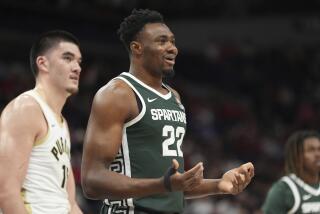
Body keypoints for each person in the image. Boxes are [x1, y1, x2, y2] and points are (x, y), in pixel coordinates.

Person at [81, 9, 254, 214]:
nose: (172, 48)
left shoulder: (175, 98)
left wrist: (218, 184)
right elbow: (91, 181)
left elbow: (173, 186)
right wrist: (164, 185)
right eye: (162, 41)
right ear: (137, 48)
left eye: (172, 41)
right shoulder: (117, 94)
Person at [0, 30, 83, 214]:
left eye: (78, 61)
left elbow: (69, 203)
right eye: (68, 58)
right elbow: (6, 192)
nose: (77, 67)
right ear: (43, 63)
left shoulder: (62, 123)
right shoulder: (25, 109)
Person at [262, 130, 320, 214]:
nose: (318, 154)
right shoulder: (283, 190)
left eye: (319, 149)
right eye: (311, 150)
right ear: (297, 156)